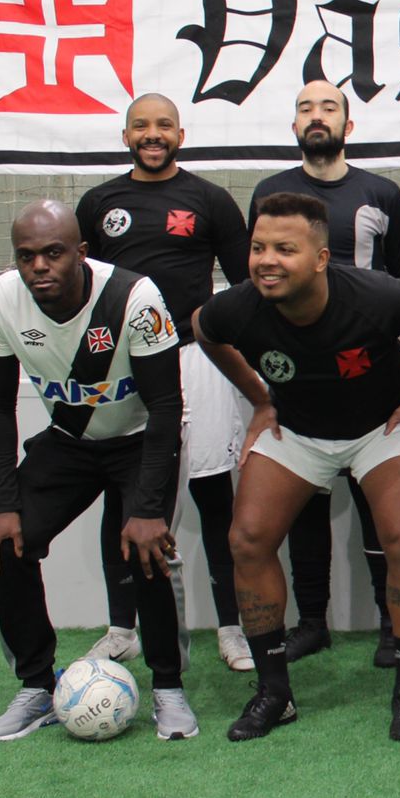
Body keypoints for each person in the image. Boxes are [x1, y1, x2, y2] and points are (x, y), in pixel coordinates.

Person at [193, 192, 400, 741]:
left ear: (322, 258)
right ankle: (274, 692)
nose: (266, 260)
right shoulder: (239, 305)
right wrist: (259, 398)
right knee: (248, 539)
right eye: (259, 247)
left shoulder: (375, 295)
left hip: (381, 428)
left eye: (285, 249)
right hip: (299, 431)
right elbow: (204, 330)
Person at [0, 201, 195, 741]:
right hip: (71, 442)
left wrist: (145, 509)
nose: (39, 267)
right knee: (7, 545)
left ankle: (168, 688)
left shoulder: (134, 298)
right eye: (26, 257)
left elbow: (167, 405)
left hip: (141, 440)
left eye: (53, 253)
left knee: (144, 549)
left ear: (81, 254)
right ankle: (35, 685)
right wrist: (1, 504)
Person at [76, 93, 254, 671]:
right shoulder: (100, 203)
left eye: (163, 126)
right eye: (141, 126)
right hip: (125, 368)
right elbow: (85, 292)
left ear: (181, 133)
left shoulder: (209, 200)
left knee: (212, 496)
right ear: (125, 136)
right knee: (126, 499)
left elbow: (245, 286)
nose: (153, 135)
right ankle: (121, 629)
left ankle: (232, 627)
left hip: (195, 358)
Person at [248, 80, 400, 668]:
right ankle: (312, 621)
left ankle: (392, 625)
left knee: (382, 508)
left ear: (349, 124)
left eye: (329, 108)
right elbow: (251, 291)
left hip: (370, 378)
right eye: (305, 108)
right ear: (294, 124)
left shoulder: (380, 193)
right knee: (303, 503)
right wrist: (260, 396)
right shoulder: (271, 192)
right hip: (298, 379)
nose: (316, 117)